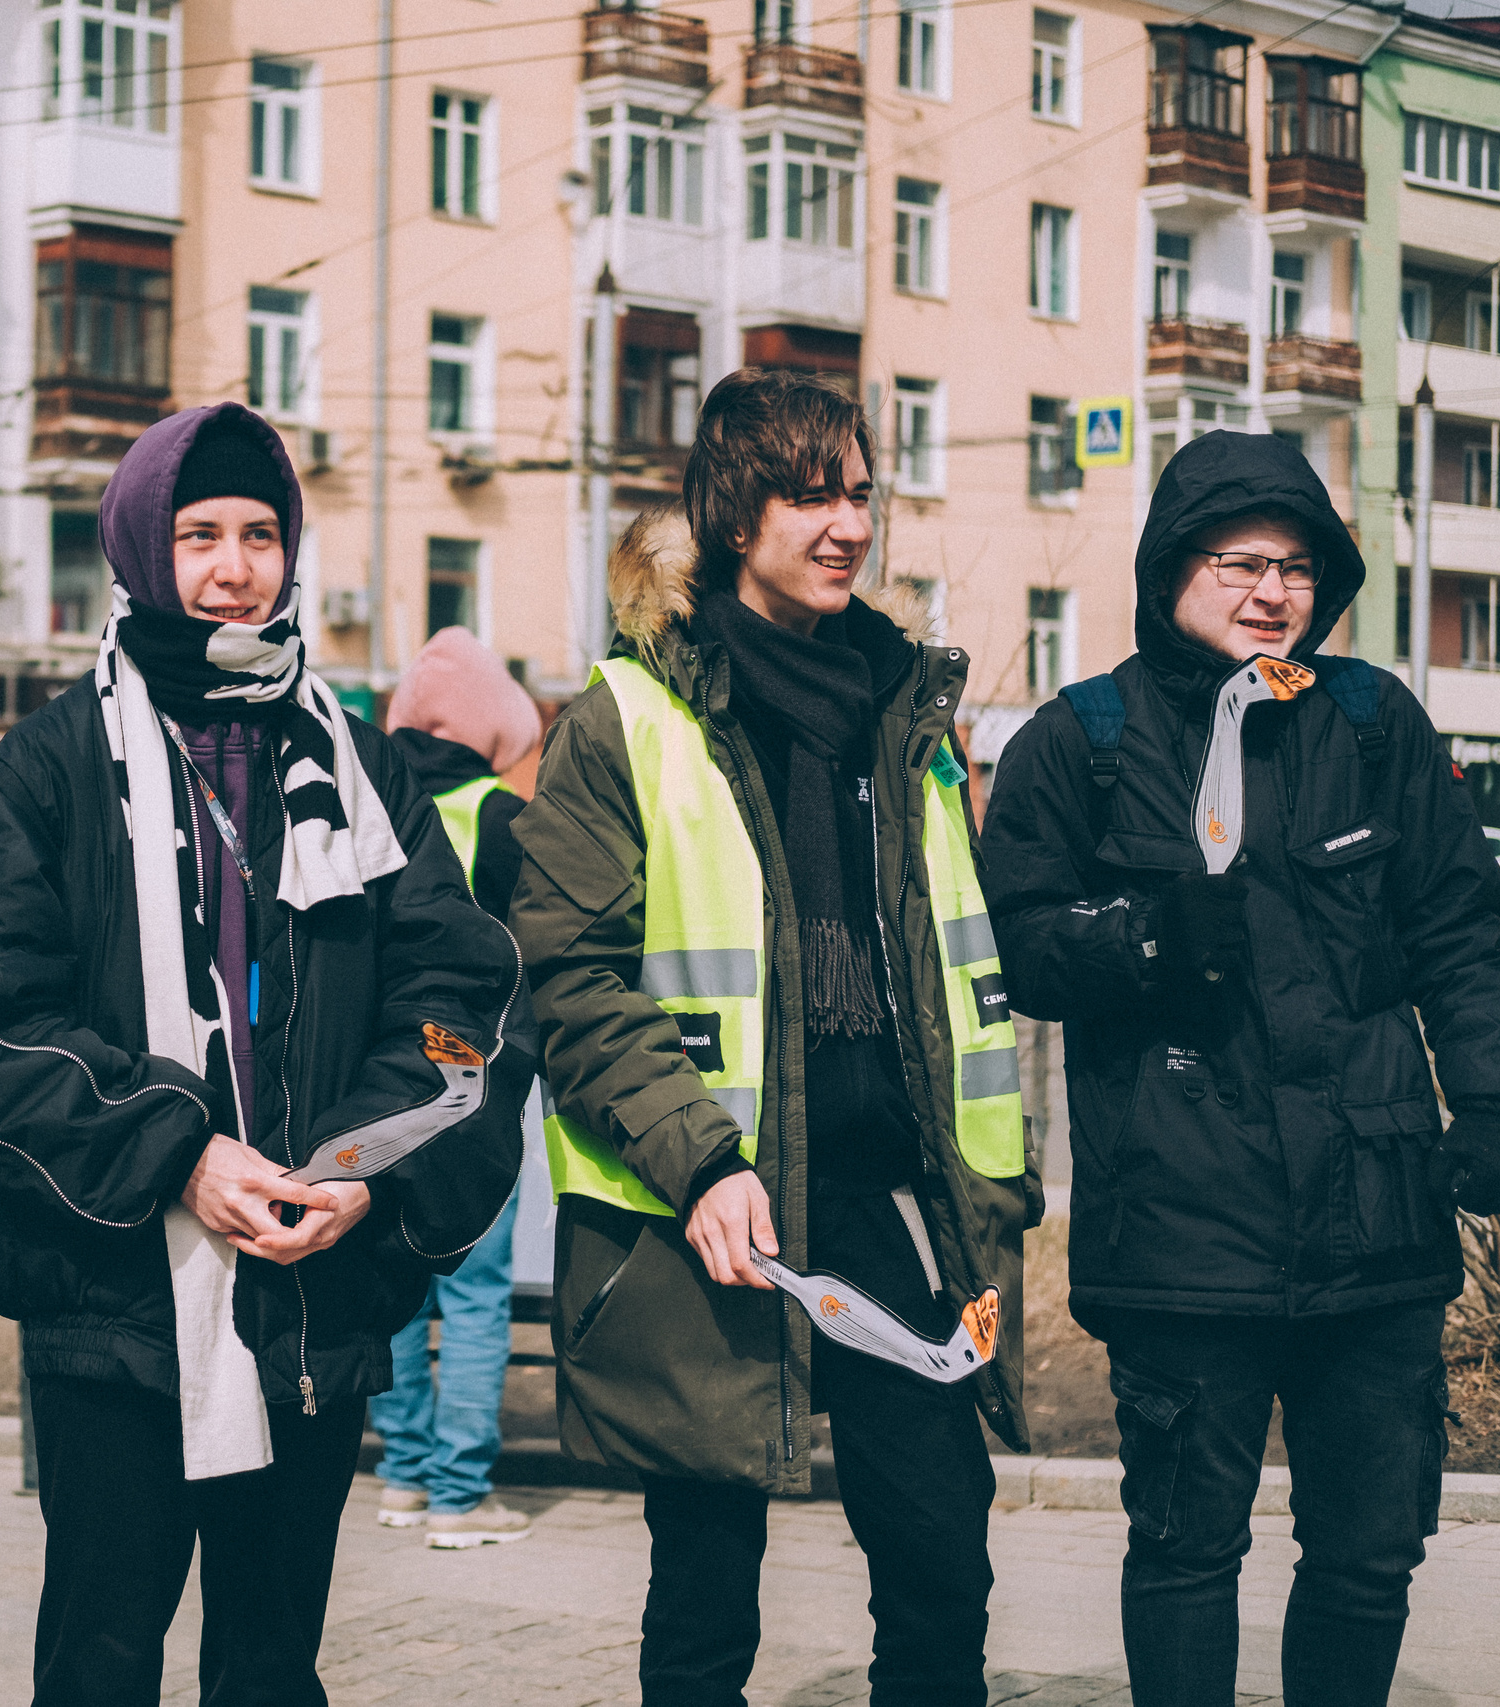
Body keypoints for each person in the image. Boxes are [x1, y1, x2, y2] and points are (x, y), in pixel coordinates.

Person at [0, 402, 525, 1706]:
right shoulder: (49, 769)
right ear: (142, 547)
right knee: (99, 1661)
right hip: (113, 1310)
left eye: (259, 532)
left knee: (268, 1669)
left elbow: (455, 998)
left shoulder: (360, 768)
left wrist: (363, 1166)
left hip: (307, 1301)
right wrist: (179, 1151)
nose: (234, 565)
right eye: (200, 533)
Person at [983, 430, 1500, 1707]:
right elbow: (1013, 946)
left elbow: (1459, 934)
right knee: (1185, 1547)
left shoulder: (1373, 724)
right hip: (1182, 1228)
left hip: (1373, 1217)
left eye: (1295, 566)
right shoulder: (1081, 743)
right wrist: (1142, 938)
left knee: (1369, 1548)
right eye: (1238, 563)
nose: (1269, 592)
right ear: (1170, 569)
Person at [513, 368, 1038, 1706]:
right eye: (811, 492)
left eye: (860, 488)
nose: (846, 520)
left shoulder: (910, 708)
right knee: (705, 1574)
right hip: (719, 1198)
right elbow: (565, 972)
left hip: (889, 1196)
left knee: (938, 1544)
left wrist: (981, 1185)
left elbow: (953, 957)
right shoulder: (631, 714)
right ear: (736, 515)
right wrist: (701, 1156)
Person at [371, 625, 543, 1548]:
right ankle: (459, 1492)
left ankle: (399, 1473)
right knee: (474, 1289)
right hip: (473, 1091)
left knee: (394, 1275)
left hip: (377, 1090)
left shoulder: (370, 805)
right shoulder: (500, 820)